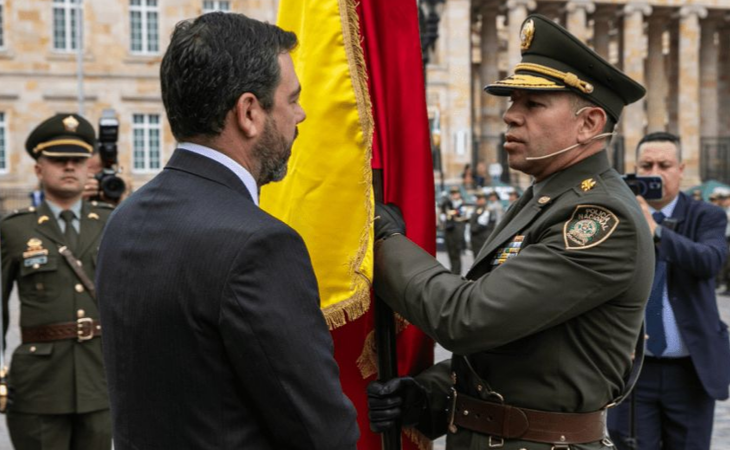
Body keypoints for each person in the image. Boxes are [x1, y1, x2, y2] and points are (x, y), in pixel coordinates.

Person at [367, 14, 654, 449]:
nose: (509, 116)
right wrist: (433, 392)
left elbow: (468, 318)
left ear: (590, 123)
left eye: (532, 104)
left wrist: (386, 242)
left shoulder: (598, 218)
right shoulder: (547, 197)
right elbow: (529, 345)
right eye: (512, 101)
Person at [95, 12, 358, 449]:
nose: (302, 114)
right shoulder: (260, 244)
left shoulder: (126, 216)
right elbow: (321, 432)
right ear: (250, 112)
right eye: (291, 99)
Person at [607, 132, 730, 450]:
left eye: (664, 164)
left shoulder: (707, 215)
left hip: (690, 370)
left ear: (681, 169)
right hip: (633, 370)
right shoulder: (617, 217)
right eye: (646, 166)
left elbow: (709, 261)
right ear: (634, 169)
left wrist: (657, 231)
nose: (654, 173)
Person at [0, 113, 113, 449]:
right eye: (58, 160)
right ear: (38, 168)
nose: (69, 167)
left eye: (77, 160)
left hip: (99, 379)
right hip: (38, 385)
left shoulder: (112, 223)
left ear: (88, 168)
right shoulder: (14, 229)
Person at [440, 186, 467, 274]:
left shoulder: (462, 204)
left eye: (455, 193)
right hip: (449, 230)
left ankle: (457, 272)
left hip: (457, 230)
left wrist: (450, 210)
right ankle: (453, 270)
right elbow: (443, 212)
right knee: (450, 251)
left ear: (459, 194)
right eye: (452, 193)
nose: (454, 195)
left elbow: (459, 213)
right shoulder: (448, 203)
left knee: (456, 253)